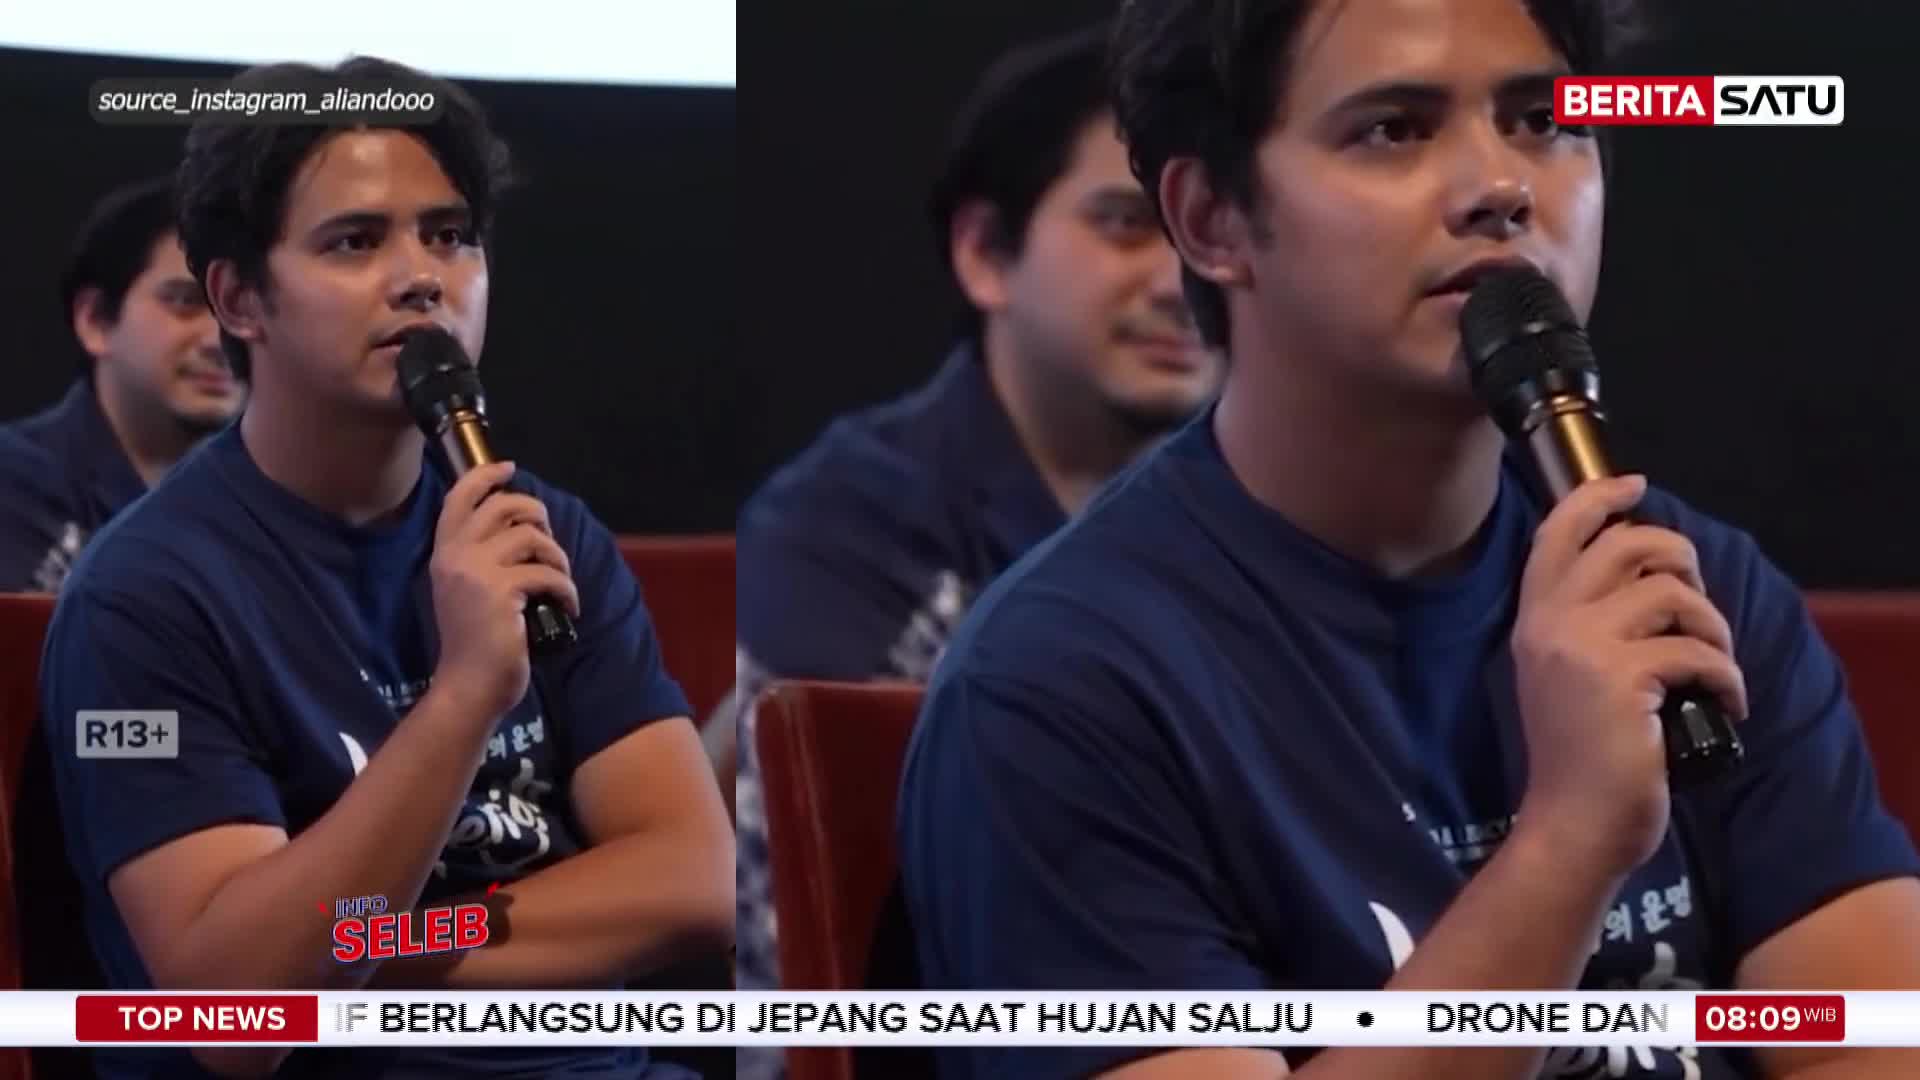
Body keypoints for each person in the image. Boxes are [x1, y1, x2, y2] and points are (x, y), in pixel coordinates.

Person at [897, 1, 1920, 1078]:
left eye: (1542, 121)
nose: (1501, 185)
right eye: (1393, 129)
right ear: (1211, 220)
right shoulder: (1062, 686)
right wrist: (1571, 841)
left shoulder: (1683, 586)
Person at [38, 56, 732, 1079]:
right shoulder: (142, 598)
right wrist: (465, 694)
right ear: (240, 298)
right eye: (356, 241)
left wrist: (361, 955)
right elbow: (242, 1009)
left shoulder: (543, 532)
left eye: (450, 235)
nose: (422, 277)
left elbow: (697, 883)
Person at [726, 22, 1222, 1078]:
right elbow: (777, 990)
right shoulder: (844, 534)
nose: (1182, 278)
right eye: (1126, 223)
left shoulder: (1275, 517)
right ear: (985, 254)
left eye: (1208, 224)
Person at [0, 176, 243, 592]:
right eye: (184, 302)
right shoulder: (13, 486)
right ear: (95, 320)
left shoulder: (275, 500)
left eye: (239, 306)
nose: (220, 340)